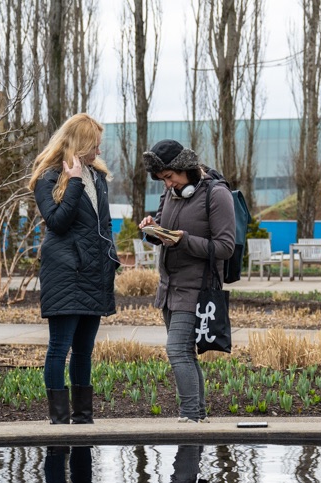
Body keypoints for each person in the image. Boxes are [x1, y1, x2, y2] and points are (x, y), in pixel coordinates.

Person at [29, 113, 119, 425]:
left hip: (94, 273)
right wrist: (75, 182)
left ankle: (83, 418)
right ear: (80, 144)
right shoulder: (48, 177)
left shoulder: (98, 177)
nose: (99, 150)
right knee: (59, 348)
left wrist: (112, 258)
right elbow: (57, 222)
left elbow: (102, 225)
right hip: (66, 274)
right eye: (95, 144)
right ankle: (59, 419)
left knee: (84, 350)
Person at [139, 140, 235, 423]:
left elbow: (225, 247)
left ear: (187, 168)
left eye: (170, 177)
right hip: (169, 288)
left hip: (197, 289)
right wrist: (152, 231)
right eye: (162, 179)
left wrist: (185, 241)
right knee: (186, 353)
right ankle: (199, 417)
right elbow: (162, 225)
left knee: (177, 350)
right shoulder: (170, 194)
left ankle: (189, 417)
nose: (167, 184)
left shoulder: (216, 195)